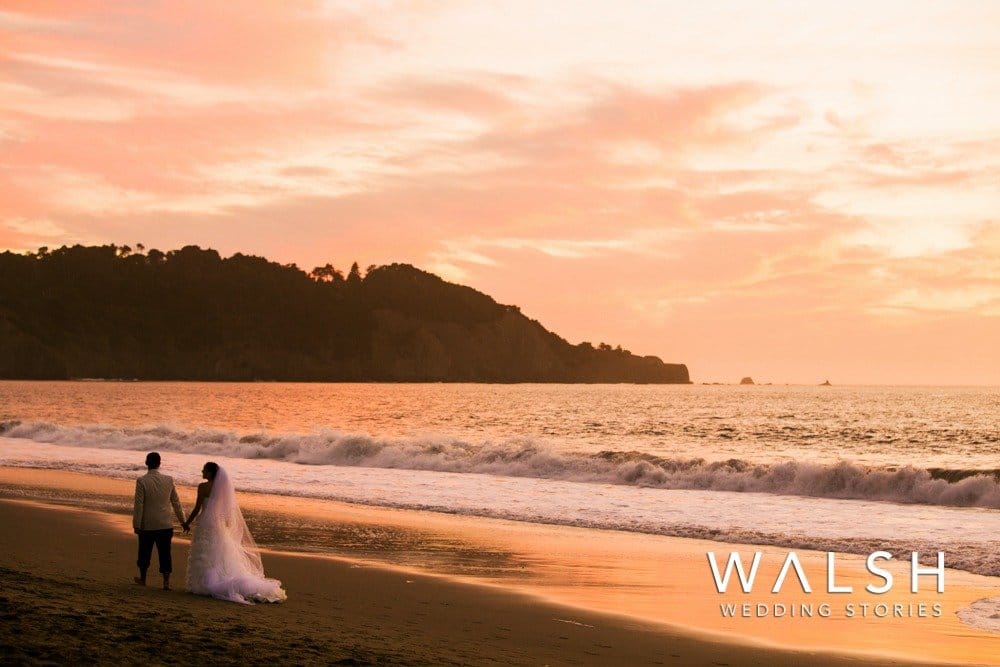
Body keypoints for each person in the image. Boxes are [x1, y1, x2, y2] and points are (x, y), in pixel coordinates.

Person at [183, 462, 286, 604]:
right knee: (217, 553)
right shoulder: (222, 488)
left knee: (203, 551)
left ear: (210, 473)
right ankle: (214, 580)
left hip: (205, 523)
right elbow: (226, 510)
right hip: (218, 524)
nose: (202, 472)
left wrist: (187, 523)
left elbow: (197, 508)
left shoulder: (203, 487)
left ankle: (201, 584)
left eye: (204, 470)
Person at [132, 451, 185, 591]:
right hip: (165, 524)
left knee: (144, 552)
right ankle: (166, 582)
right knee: (165, 554)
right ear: (159, 463)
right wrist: (183, 521)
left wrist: (136, 524)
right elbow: (176, 502)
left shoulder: (142, 481)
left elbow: (139, 505)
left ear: (146, 463)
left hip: (148, 525)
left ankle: (143, 579)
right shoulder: (169, 480)